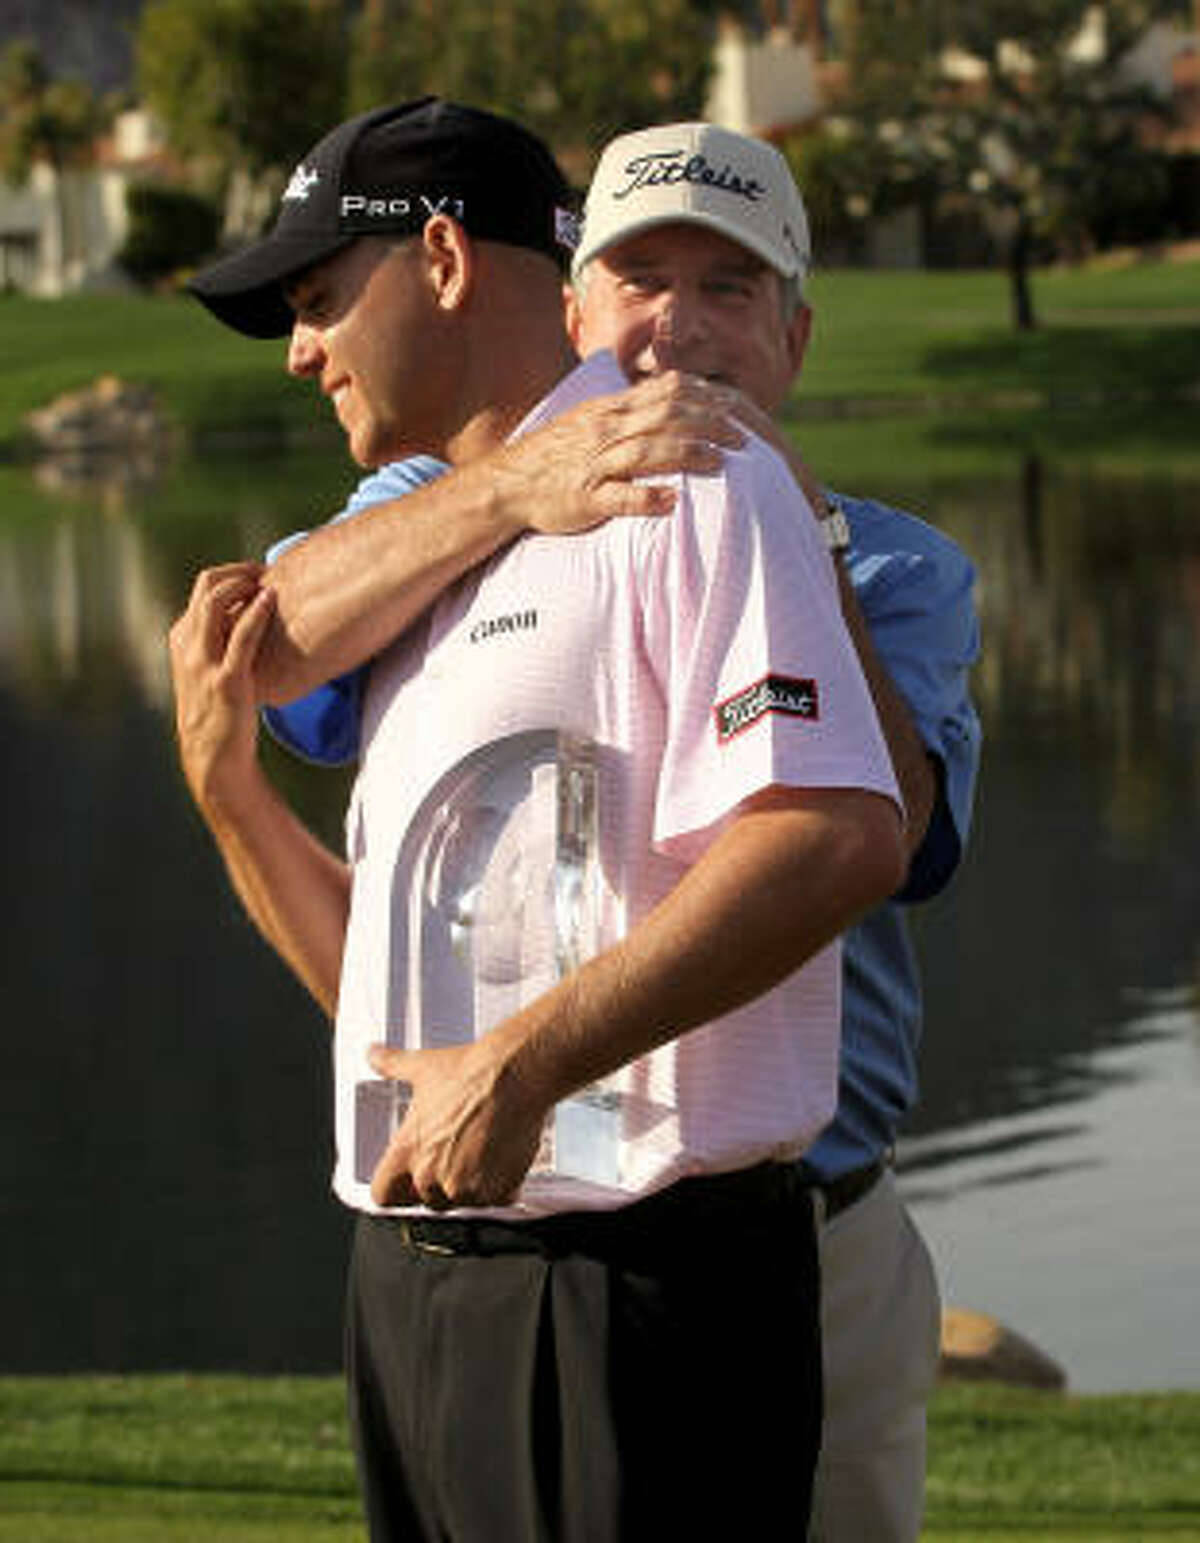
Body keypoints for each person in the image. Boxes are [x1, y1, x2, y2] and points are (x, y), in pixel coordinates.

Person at [172, 97, 905, 1542]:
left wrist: (518, 1070)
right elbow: (392, 1028)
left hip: (638, 1287)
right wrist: (231, 799)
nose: (303, 351)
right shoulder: (418, 557)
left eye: (321, 301)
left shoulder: (687, 472)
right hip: (421, 1270)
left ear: (442, 261)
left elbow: (839, 831)